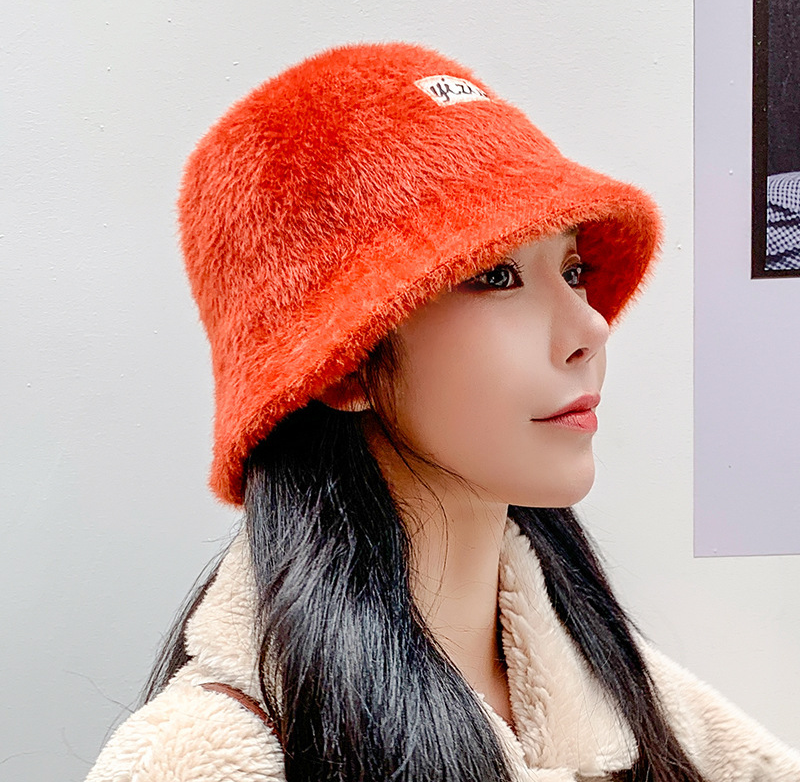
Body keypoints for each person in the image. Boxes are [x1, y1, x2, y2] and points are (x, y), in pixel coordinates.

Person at [85, 42, 800, 782]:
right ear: (344, 368)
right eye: (497, 276)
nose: (590, 327)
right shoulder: (201, 758)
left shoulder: (619, 691)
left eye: (573, 269)